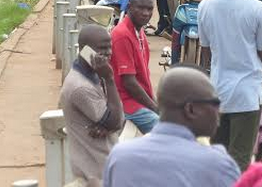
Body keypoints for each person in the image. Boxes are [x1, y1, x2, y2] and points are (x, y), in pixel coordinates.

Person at [103, 65, 240, 187]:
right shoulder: (217, 165)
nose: (219, 111)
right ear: (190, 109)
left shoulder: (119, 156)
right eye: (215, 103)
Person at [199, 0, 262, 172]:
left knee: (218, 158)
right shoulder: (258, 9)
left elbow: (206, 53)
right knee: (239, 160)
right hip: (247, 95)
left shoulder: (205, 5)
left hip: (217, 92)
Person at [60, 25, 124, 184]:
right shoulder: (81, 87)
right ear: (84, 50)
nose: (109, 52)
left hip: (105, 166)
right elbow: (116, 120)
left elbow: (118, 120)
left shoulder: (95, 73)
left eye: (110, 47)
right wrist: (109, 79)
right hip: (94, 173)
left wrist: (109, 124)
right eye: (102, 48)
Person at [110, 0, 158, 133]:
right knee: (166, 132)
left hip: (137, 100)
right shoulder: (122, 35)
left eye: (149, 9)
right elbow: (129, 83)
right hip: (126, 103)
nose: (145, 13)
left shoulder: (139, 31)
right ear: (129, 7)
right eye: (140, 8)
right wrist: (155, 108)